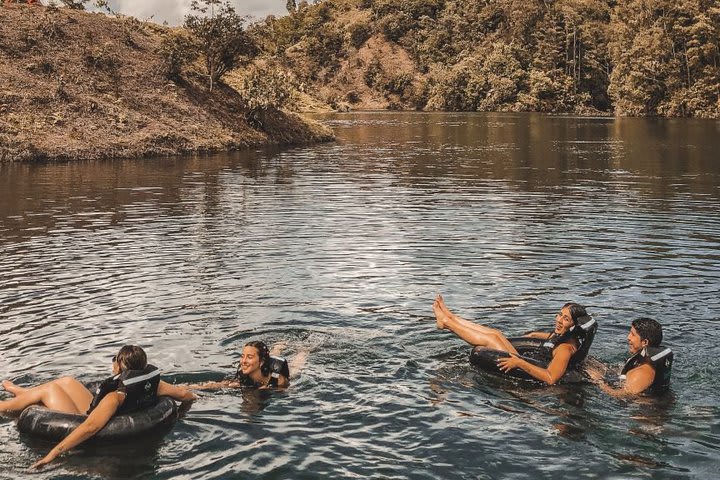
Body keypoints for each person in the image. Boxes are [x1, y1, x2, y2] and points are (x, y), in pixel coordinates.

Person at [0, 345, 197, 469]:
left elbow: (89, 427)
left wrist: (51, 455)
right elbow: (185, 395)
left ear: (120, 368)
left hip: (82, 416)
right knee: (67, 381)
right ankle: (22, 392)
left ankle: (6, 405)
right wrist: (179, 414)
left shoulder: (115, 397)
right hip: (100, 408)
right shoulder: (155, 386)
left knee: (50, 389)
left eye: (115, 361)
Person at [433, 294, 589, 385]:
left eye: (566, 319)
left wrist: (519, 362)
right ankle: (451, 317)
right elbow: (542, 338)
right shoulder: (561, 335)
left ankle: (447, 324)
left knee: (492, 339)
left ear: (574, 326)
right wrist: (529, 336)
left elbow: (550, 378)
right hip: (528, 358)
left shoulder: (565, 348)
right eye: (559, 314)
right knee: (497, 334)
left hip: (528, 366)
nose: (559, 320)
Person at [586, 317, 672, 396]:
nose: (628, 337)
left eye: (633, 334)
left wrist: (598, 381)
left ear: (645, 342)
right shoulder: (643, 358)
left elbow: (622, 395)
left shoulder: (644, 371)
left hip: (645, 411)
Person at [188, 340, 291, 391]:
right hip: (262, 364)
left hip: (274, 373)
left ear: (261, 362)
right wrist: (187, 387)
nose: (243, 361)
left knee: (296, 365)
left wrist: (270, 388)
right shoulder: (241, 377)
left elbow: (288, 390)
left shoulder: (279, 380)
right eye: (242, 356)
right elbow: (216, 385)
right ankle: (277, 347)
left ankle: (303, 349)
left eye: (249, 357)